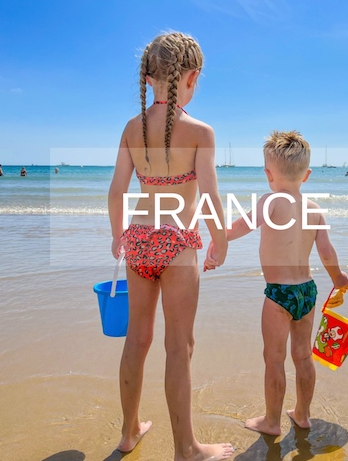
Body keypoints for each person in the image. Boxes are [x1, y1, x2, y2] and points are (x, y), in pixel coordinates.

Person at [108, 32, 233, 460]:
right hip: (178, 243)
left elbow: (115, 192)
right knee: (179, 346)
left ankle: (128, 434)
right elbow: (212, 197)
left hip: (138, 239)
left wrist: (116, 234)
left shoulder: (130, 128)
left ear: (147, 77)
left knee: (136, 340)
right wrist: (220, 241)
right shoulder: (200, 131)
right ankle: (187, 449)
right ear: (192, 78)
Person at [205, 131, 348, 436]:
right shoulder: (315, 209)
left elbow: (239, 227)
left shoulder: (271, 201)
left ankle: (272, 421)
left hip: (279, 295)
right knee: (303, 355)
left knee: (273, 358)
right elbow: (327, 252)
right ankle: (302, 414)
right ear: (307, 175)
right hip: (307, 291)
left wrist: (216, 242)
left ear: (268, 174)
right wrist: (339, 278)